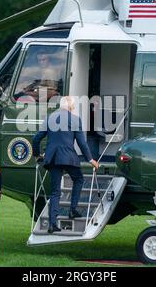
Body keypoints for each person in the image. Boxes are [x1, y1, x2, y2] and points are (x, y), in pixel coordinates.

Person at [32, 96, 99, 234]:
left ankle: (52, 224)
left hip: (52, 158)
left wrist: (37, 155)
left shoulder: (50, 118)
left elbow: (36, 138)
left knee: (55, 191)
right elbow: (82, 143)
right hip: (69, 157)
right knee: (78, 179)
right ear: (71, 107)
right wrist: (90, 159)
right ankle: (72, 210)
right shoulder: (75, 119)